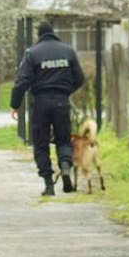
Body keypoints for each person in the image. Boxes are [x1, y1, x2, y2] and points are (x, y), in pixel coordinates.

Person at [9, 20, 85, 196]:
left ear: (39, 35)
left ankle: (49, 185)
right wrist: (65, 90)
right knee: (63, 140)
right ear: (53, 32)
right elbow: (79, 79)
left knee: (41, 144)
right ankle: (65, 167)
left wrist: (15, 104)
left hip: (40, 103)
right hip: (62, 102)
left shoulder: (32, 53)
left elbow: (22, 81)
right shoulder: (68, 51)